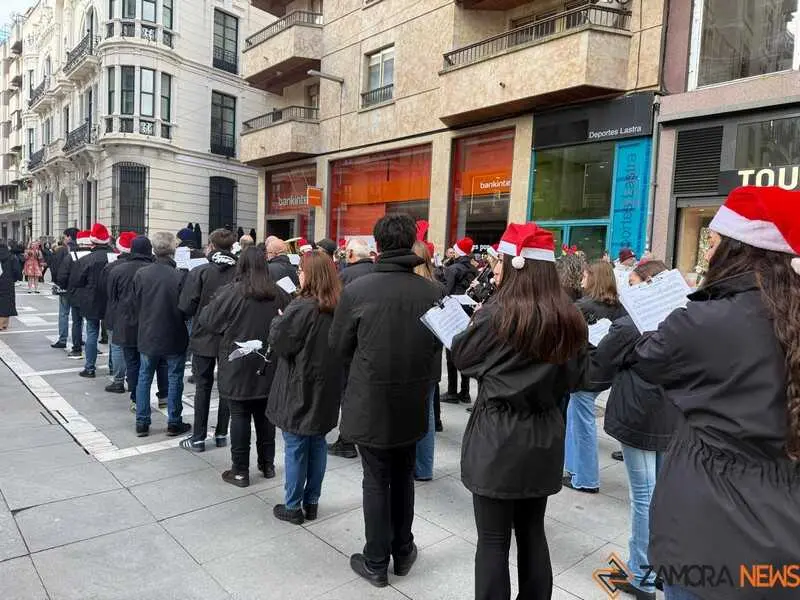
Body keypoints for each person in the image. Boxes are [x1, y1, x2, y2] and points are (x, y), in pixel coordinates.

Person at [628, 186, 800, 600]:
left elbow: (648, 359)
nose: (707, 254)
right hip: (784, 541)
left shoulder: (706, 319)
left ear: (739, 249)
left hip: (707, 538)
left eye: (714, 242)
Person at [451, 222, 587, 600]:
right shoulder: (569, 317)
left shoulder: (497, 314)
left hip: (498, 437)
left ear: (516, 265)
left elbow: (463, 358)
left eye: (500, 263)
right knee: (533, 532)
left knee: (492, 541)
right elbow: (577, 376)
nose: (495, 269)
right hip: (543, 435)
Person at [329, 213, 443, 587]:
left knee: (377, 479)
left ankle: (377, 559)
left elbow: (338, 345)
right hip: (411, 399)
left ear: (378, 246)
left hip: (372, 399)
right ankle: (403, 548)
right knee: (403, 476)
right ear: (412, 244)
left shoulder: (358, 291)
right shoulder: (431, 292)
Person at [589, 259, 679, 600]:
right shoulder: (679, 318)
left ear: (645, 284)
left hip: (640, 412)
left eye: (634, 280)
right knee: (658, 495)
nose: (628, 285)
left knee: (644, 496)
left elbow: (605, 357)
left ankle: (641, 573)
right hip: (667, 413)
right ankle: (656, 566)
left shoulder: (631, 324)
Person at [196, 247, 290, 487]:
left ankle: (240, 470)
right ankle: (267, 464)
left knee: (239, 414)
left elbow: (208, 321)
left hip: (237, 364)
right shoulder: (279, 293)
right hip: (269, 362)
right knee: (265, 416)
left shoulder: (231, 292)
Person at [268, 250, 343, 524]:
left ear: (310, 275)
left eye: (301, 270)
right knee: (318, 442)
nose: (298, 273)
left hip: (299, 384)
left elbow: (282, 344)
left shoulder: (302, 306)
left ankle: (292, 505)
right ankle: (312, 502)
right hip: (327, 385)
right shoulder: (339, 304)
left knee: (296, 444)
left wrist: (278, 319)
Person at [563, 260, 626, 493]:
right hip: (606, 371)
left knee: (582, 424)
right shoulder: (619, 307)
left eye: (586, 274)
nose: (582, 278)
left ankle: (586, 478)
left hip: (585, 371)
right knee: (576, 418)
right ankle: (574, 467)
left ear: (593, 277)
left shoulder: (583, 306)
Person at [178, 228, 238, 452]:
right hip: (232, 336)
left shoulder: (201, 271)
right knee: (226, 387)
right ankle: (222, 433)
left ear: (211, 246)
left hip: (205, 335)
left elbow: (186, 305)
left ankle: (199, 438)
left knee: (203, 387)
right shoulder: (241, 271)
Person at [132, 232, 191, 438]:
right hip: (173, 331)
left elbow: (136, 303)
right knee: (175, 377)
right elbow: (186, 308)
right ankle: (174, 422)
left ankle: (142, 422)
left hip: (148, 332)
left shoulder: (142, 274)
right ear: (172, 250)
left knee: (144, 377)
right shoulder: (179, 275)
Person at [327, 237, 377, 460]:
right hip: (373, 343)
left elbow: (338, 311)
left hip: (351, 345)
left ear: (351, 255)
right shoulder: (378, 274)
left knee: (347, 392)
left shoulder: (346, 276)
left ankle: (346, 441)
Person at [411, 240, 441, 479]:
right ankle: (424, 467)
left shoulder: (411, 289)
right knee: (428, 414)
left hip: (412, 360)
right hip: (432, 360)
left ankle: (415, 464)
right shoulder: (438, 288)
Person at [73, 224, 116, 378]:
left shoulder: (87, 259)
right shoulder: (115, 257)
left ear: (93, 242)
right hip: (111, 299)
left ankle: (90, 368)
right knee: (112, 336)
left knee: (92, 332)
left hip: (91, 299)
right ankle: (113, 368)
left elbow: (77, 280)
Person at [442, 237, 477, 405]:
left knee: (451, 354)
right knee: (465, 351)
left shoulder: (453, 268)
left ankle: (452, 391)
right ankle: (465, 391)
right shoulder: (473, 269)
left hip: (453, 314)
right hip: (469, 313)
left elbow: (446, 292)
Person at [101, 232, 137, 393]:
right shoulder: (146, 265)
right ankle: (132, 379)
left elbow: (105, 291)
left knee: (116, 346)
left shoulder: (112, 267)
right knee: (135, 348)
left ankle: (118, 381)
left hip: (116, 311)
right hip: (138, 313)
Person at [58, 230, 91, 358]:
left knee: (77, 321)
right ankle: (92, 347)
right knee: (92, 324)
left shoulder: (71, 256)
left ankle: (77, 348)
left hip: (76, 293)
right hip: (91, 294)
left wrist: (66, 287)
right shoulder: (94, 255)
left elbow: (62, 276)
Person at [50, 228, 79, 349]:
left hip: (64, 287)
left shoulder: (61, 251)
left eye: (65, 236)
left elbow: (54, 267)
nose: (64, 239)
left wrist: (57, 283)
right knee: (78, 316)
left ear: (69, 237)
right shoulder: (81, 250)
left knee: (63, 313)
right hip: (77, 288)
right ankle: (78, 339)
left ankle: (62, 339)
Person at [0, 239, 23, 329]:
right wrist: (15, 279)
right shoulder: (11, 257)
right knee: (7, 301)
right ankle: (4, 323)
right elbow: (17, 270)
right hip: (8, 282)